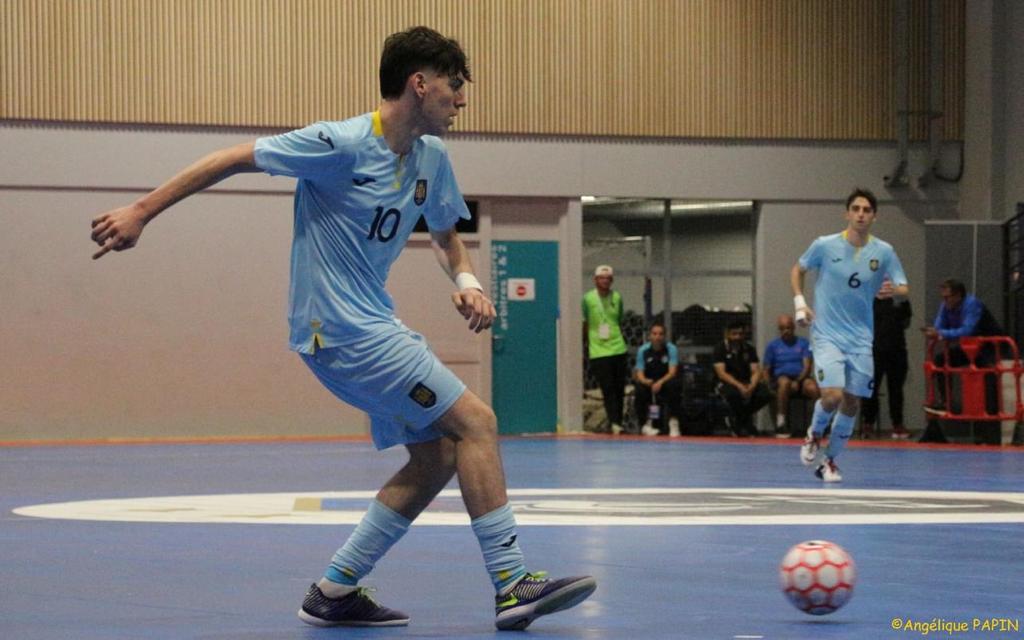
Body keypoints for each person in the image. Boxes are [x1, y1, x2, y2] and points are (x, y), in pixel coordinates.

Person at [89, 26, 595, 631]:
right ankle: (512, 584)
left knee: (436, 457)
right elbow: (234, 157)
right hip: (341, 330)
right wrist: (141, 211)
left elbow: (445, 235)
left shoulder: (432, 158)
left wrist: (468, 282)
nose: (462, 100)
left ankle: (334, 590)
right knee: (477, 423)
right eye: (455, 85)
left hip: (371, 324)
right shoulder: (340, 143)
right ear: (420, 84)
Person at [792, 187, 909, 482]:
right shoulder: (825, 245)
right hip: (827, 334)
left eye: (866, 210)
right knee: (832, 395)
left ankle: (829, 461)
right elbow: (798, 270)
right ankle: (814, 433)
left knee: (852, 401)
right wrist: (800, 302)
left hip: (860, 338)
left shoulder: (884, 251)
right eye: (856, 209)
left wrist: (893, 290)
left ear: (874, 216)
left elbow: (903, 286)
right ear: (847, 213)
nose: (860, 214)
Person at [921, 279, 1003, 443]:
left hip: (989, 348)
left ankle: (991, 436)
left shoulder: (972, 304)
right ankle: (946, 401)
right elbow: (939, 327)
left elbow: (967, 330)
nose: (944, 301)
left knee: (988, 386)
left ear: (958, 295)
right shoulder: (946, 305)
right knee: (940, 360)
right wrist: (935, 332)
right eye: (943, 298)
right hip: (970, 348)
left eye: (948, 297)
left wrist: (941, 333)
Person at [582, 265, 628, 434]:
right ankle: (614, 422)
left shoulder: (617, 297)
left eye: (608, 278)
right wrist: (586, 343)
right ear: (595, 280)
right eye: (602, 278)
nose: (605, 281)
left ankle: (618, 422)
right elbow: (585, 322)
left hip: (618, 348)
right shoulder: (588, 299)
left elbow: (619, 319)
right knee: (607, 388)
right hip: (599, 350)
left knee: (619, 388)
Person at [861, 290, 912, 439]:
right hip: (873, 350)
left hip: (897, 349)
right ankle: (868, 425)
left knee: (896, 389)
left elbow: (906, 321)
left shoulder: (901, 298)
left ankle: (897, 425)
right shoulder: (868, 298)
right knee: (870, 389)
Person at [763, 314, 819, 437]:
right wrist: (769, 386)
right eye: (782, 328)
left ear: (793, 328)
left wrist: (798, 381)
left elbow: (807, 366)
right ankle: (781, 423)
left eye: (788, 328)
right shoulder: (772, 346)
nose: (786, 331)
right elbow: (766, 369)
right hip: (781, 379)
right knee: (784, 383)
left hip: (801, 378)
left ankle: (820, 424)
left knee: (813, 387)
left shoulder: (803, 343)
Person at [713, 320, 772, 437]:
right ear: (728, 334)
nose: (737, 337)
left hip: (746, 382)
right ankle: (745, 423)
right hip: (727, 383)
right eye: (734, 334)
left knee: (765, 394)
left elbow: (756, 370)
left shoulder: (749, 349)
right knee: (733, 395)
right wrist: (739, 386)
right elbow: (721, 374)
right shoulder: (720, 348)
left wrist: (752, 386)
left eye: (740, 334)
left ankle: (738, 420)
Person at [634, 321, 683, 437]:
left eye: (661, 334)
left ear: (664, 336)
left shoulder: (671, 349)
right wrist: (645, 381)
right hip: (649, 382)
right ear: (649, 336)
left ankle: (673, 422)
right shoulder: (643, 350)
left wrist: (660, 382)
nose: (657, 337)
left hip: (665, 381)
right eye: (654, 334)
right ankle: (645, 425)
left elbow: (672, 372)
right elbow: (639, 373)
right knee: (639, 389)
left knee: (674, 385)